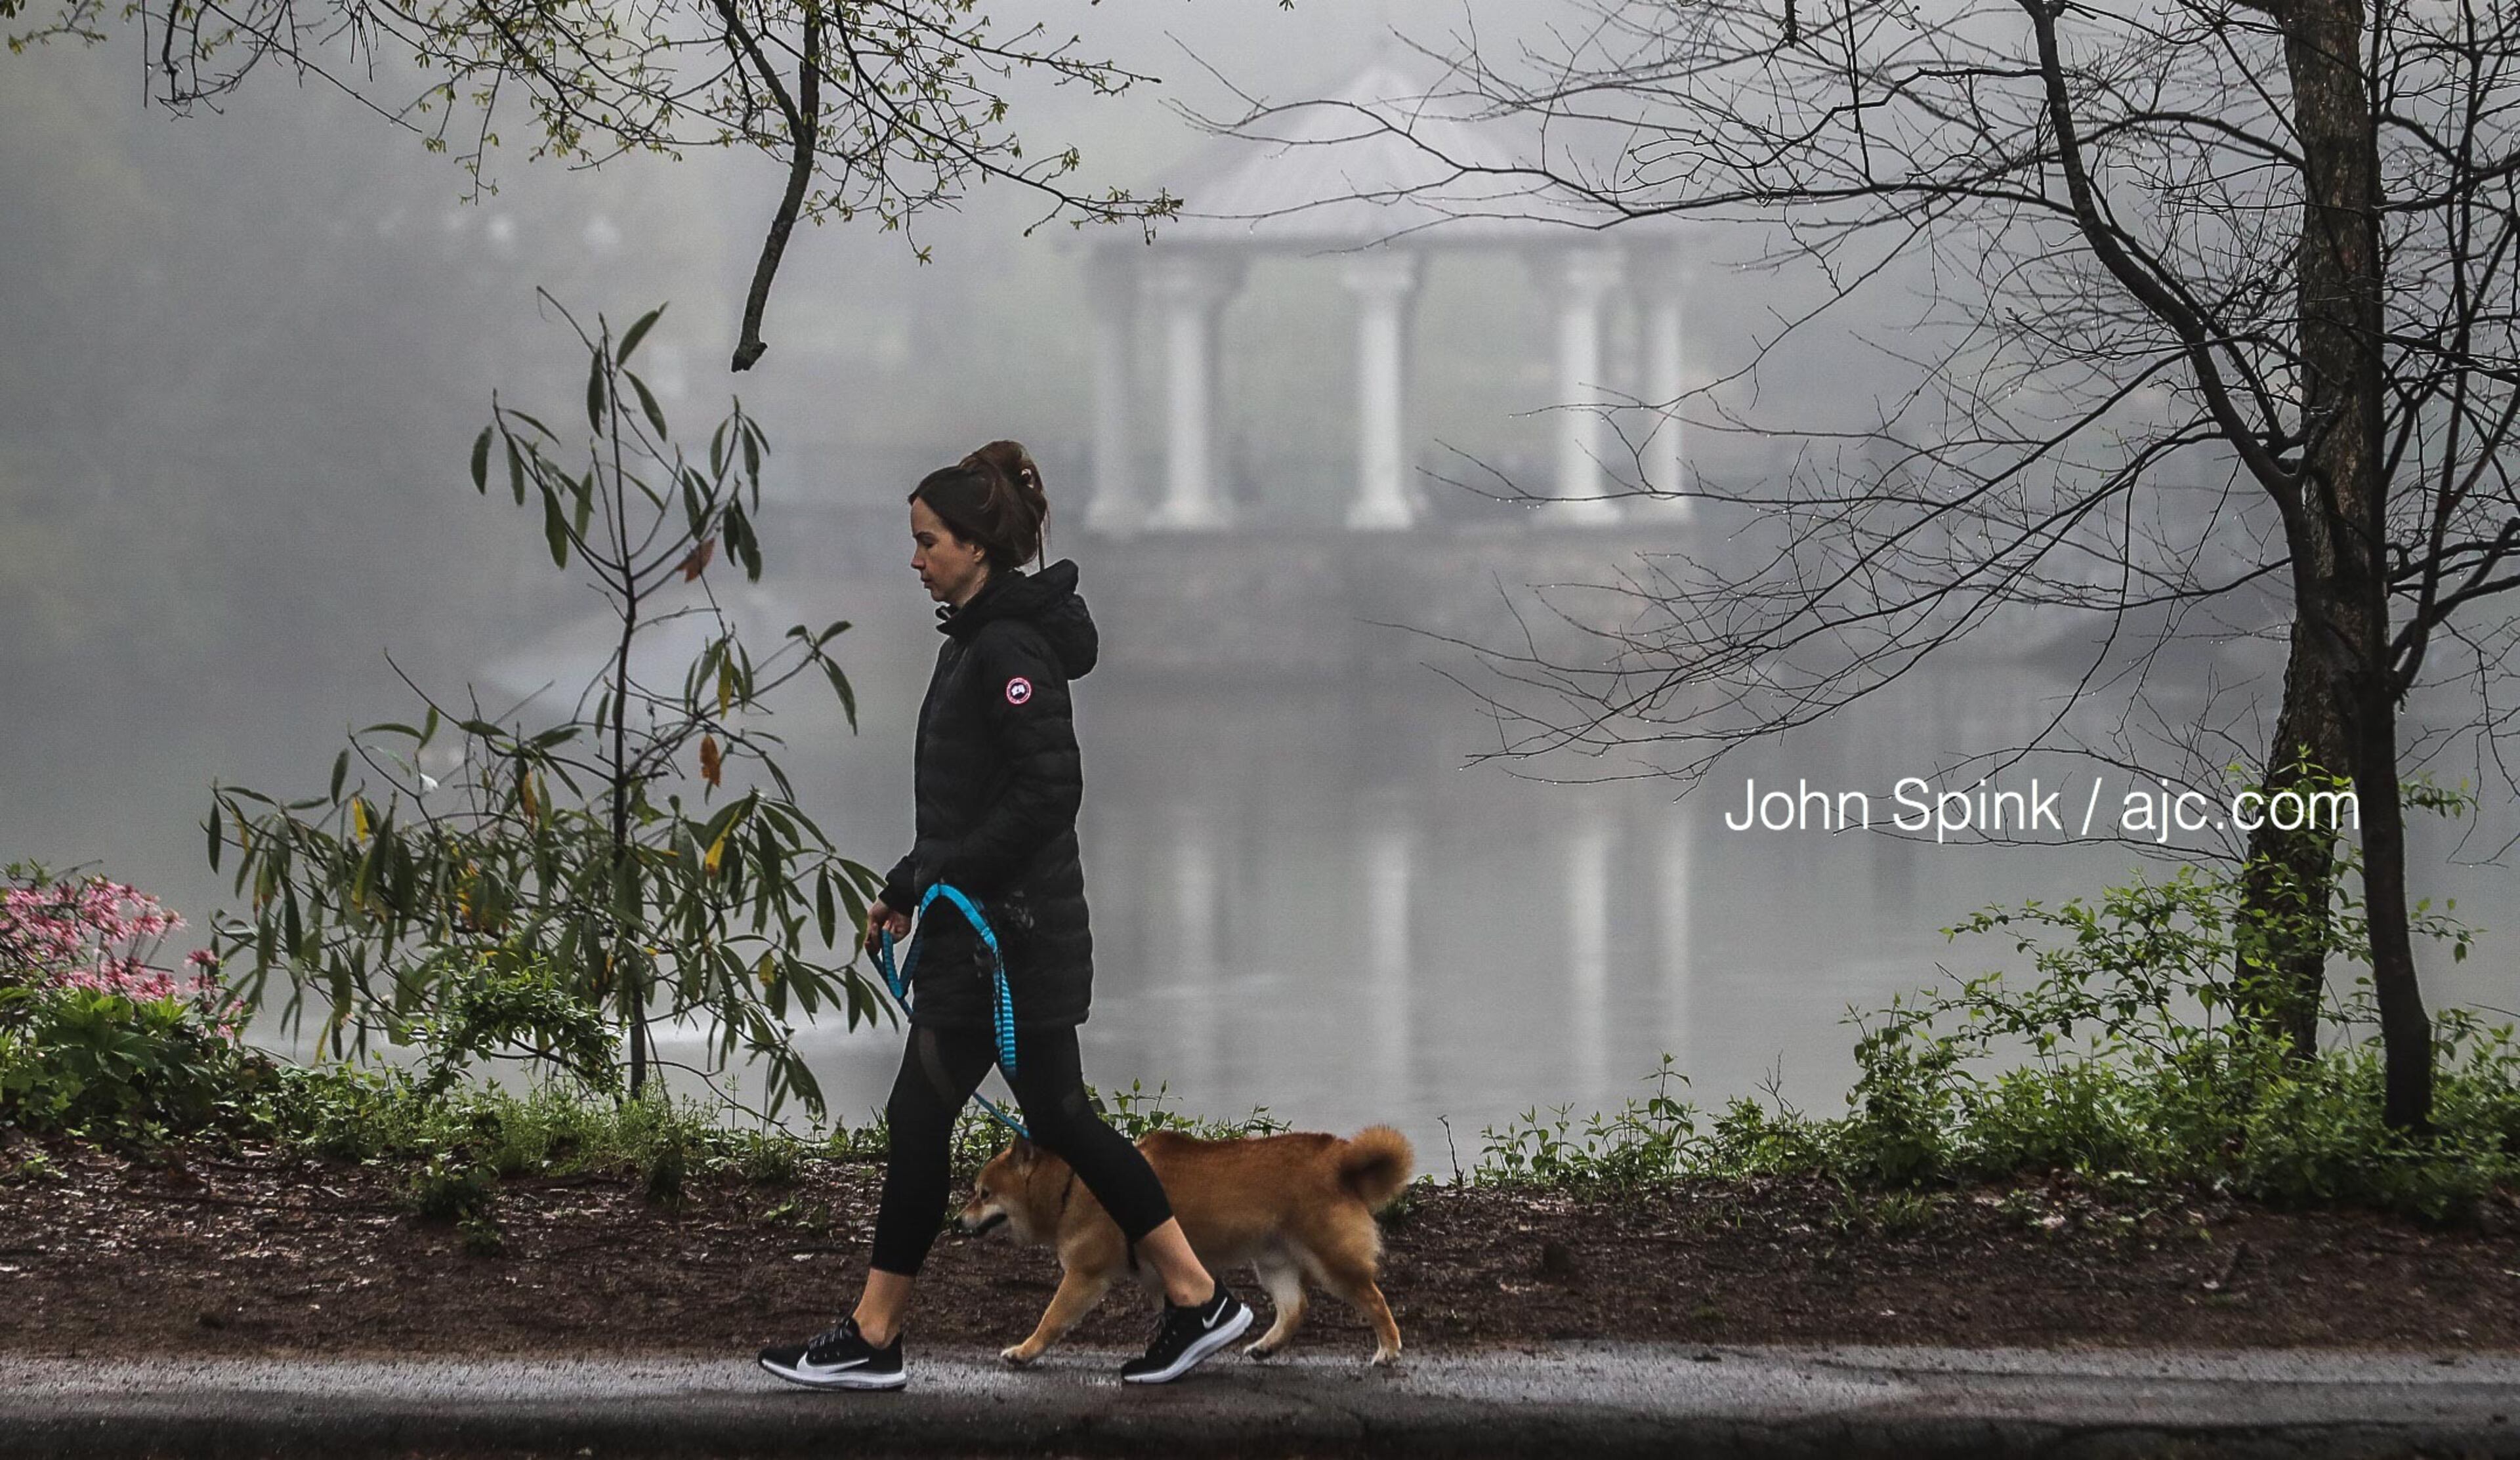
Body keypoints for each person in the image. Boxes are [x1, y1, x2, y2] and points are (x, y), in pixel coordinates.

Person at [759, 441, 1250, 1390]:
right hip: (992, 931)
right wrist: (912, 883)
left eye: (927, 540)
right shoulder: (980, 639)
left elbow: (1044, 794)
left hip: (1007, 944)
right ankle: (1196, 1296)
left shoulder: (1010, 650)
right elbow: (969, 804)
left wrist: (931, 884)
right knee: (1049, 1115)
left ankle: (874, 1335)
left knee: (931, 1116)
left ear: (977, 546)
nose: (916, 559)